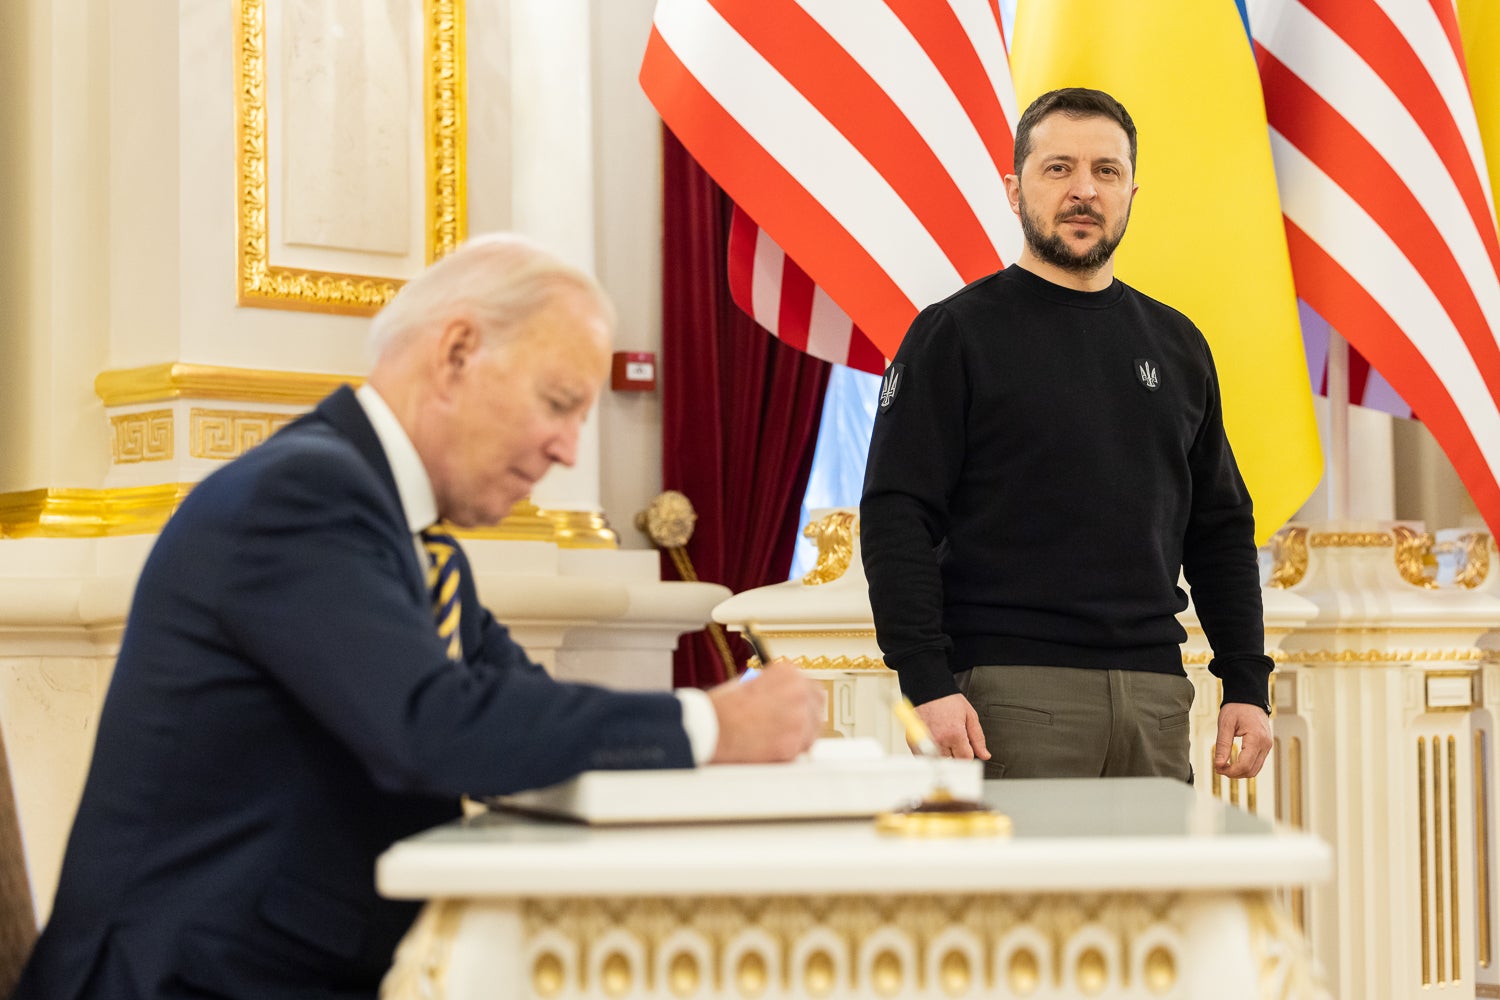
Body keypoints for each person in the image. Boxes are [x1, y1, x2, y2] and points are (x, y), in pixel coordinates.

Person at [14, 234, 823, 999]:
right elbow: (436, 729)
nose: (571, 450)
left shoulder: (416, 544)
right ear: (458, 353)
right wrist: (713, 725)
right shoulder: (300, 496)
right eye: (559, 402)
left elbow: (518, 714)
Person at [860, 88, 1273, 783]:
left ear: (1132, 191)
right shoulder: (953, 335)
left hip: (1156, 697)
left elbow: (1220, 529)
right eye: (1058, 169)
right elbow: (897, 515)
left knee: (1153, 898)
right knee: (1024, 899)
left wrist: (1247, 684)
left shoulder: (1177, 345)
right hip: (1007, 697)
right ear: (1015, 189)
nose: (1084, 190)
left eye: (1106, 171)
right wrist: (926, 681)